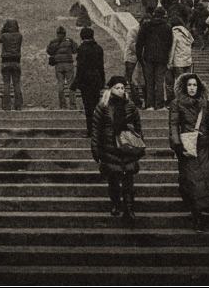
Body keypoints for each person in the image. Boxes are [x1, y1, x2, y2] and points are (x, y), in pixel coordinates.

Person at [168, 73, 209, 232]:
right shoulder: (177, 103)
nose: (192, 88)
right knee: (193, 182)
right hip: (189, 148)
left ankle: (204, 210)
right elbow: (173, 126)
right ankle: (197, 216)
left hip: (206, 147)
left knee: (208, 180)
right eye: (189, 85)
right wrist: (178, 146)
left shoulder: (205, 103)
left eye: (195, 85)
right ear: (184, 87)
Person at [91, 76, 142, 221]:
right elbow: (96, 128)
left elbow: (138, 126)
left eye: (122, 88)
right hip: (109, 146)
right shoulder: (103, 106)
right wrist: (95, 147)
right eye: (117, 88)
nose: (120, 91)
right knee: (113, 179)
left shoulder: (130, 106)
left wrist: (139, 143)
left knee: (128, 180)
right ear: (111, 89)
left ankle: (129, 207)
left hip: (127, 147)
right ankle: (115, 203)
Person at [136, 7, 173, 111]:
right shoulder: (167, 27)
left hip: (148, 57)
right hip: (162, 58)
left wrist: (139, 57)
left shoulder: (146, 25)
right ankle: (159, 104)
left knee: (149, 81)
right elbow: (169, 43)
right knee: (159, 81)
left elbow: (139, 42)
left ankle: (149, 104)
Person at [73, 28, 105, 137]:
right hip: (96, 80)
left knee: (88, 107)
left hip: (85, 81)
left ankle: (91, 130)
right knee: (96, 106)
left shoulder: (82, 49)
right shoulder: (98, 48)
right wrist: (102, 80)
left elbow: (80, 68)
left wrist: (76, 82)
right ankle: (98, 130)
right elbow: (101, 66)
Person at [47, 26, 79, 110]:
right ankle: (73, 105)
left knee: (60, 84)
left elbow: (49, 52)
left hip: (58, 65)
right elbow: (75, 50)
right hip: (68, 64)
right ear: (65, 33)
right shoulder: (70, 40)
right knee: (71, 84)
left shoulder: (53, 42)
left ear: (57, 33)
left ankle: (63, 105)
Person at [0, 19, 23, 111]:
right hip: (16, 62)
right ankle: (18, 106)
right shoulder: (19, 36)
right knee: (17, 84)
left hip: (6, 62)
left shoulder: (4, 36)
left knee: (6, 84)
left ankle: (6, 106)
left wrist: (2, 29)